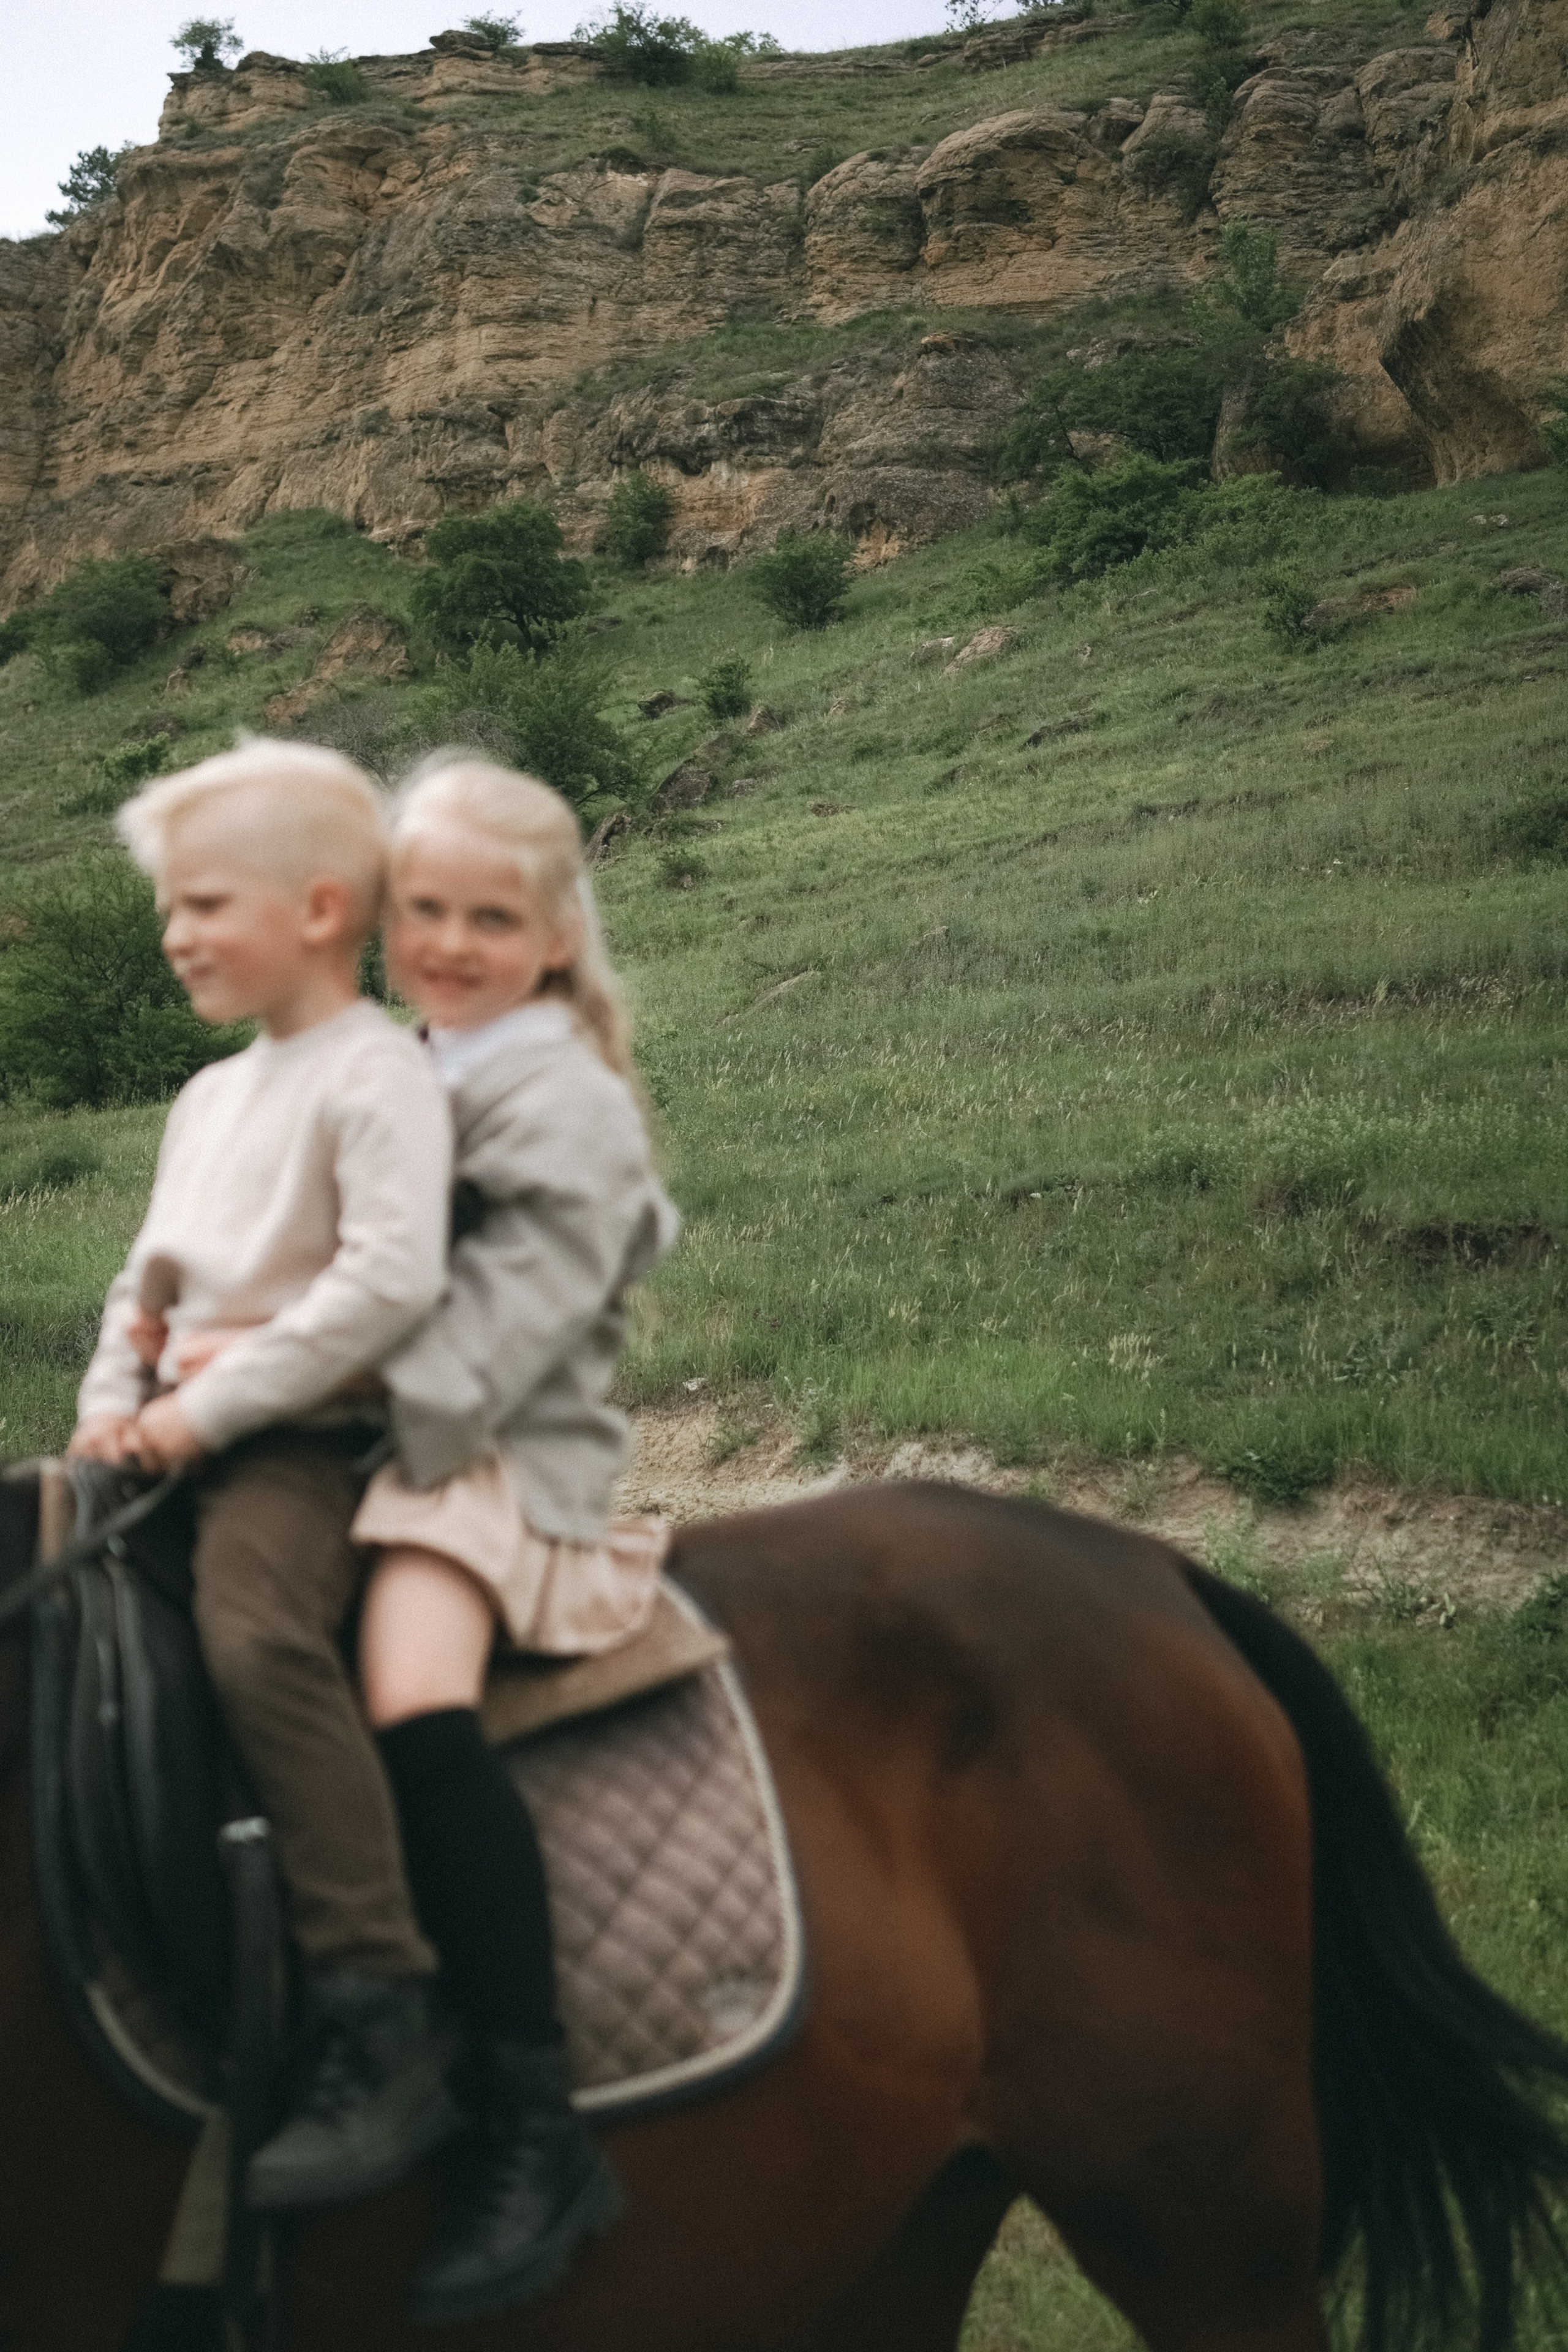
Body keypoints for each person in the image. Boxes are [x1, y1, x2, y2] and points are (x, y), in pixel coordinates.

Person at [67, 740, 463, 2213]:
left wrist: (206, 1412)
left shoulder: (379, 1074)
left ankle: (381, 2000)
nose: (174, 936)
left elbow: (387, 1282)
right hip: (171, 1430)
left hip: (309, 1442)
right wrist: (110, 1410)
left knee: (252, 1635)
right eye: (168, 908)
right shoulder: (204, 1099)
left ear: (320, 910)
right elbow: (142, 1292)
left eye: (203, 904)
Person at [347, 753, 679, 2324]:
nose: (451, 943)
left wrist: (310, 1388)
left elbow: (494, 1338)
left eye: (491, 918)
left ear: (554, 936)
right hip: (356, 1434)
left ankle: (531, 2115)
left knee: (409, 1686)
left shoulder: (567, 1100)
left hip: (481, 1460)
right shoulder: (394, 1066)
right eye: (425, 910)